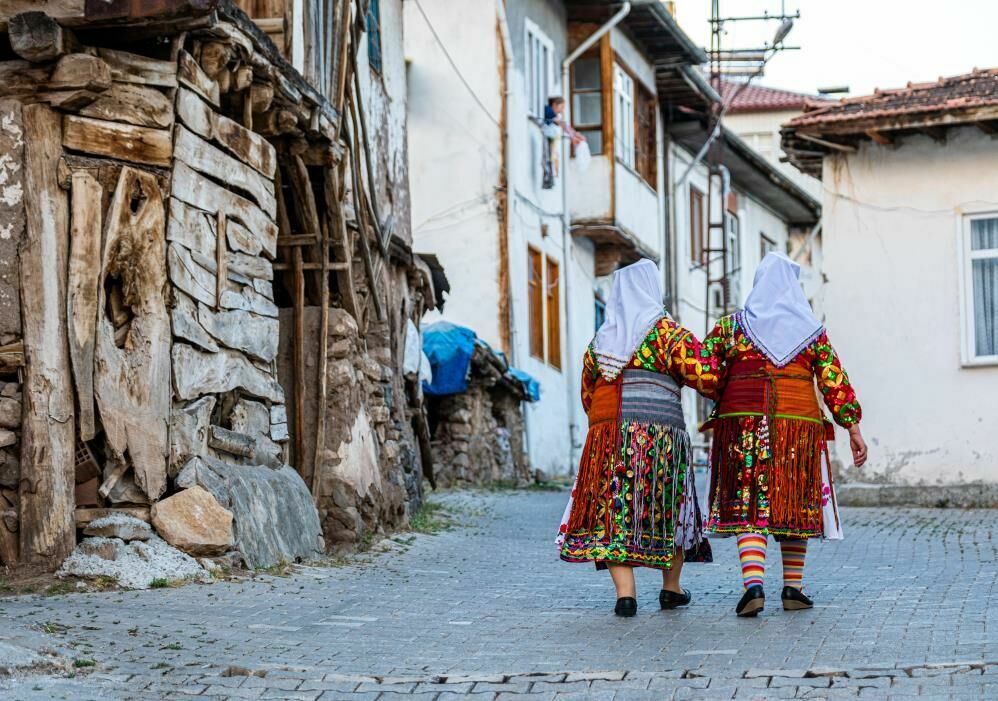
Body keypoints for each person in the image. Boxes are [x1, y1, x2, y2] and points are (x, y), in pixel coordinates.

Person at [701, 252, 868, 617]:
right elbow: (834, 383)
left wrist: (725, 393)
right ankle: (793, 588)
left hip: (742, 425)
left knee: (748, 503)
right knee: (792, 502)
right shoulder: (811, 332)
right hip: (798, 429)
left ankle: (754, 585)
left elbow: (705, 373)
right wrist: (852, 428)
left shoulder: (732, 328)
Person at [557, 259, 717, 617]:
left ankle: (625, 594)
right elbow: (707, 377)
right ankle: (670, 588)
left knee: (614, 511)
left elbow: (588, 394)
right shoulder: (669, 336)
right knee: (666, 508)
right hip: (660, 438)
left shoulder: (601, 342)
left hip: (609, 436)